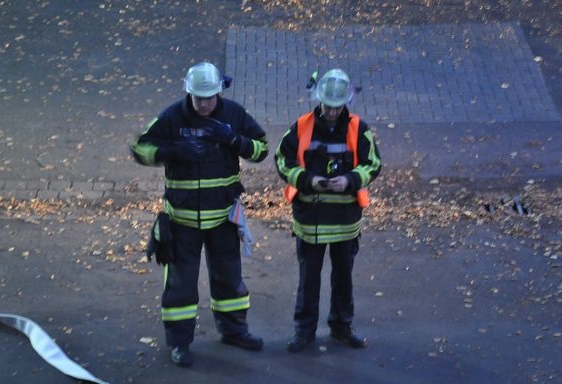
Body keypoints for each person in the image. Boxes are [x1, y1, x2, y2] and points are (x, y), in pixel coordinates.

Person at [130, 62, 269, 367]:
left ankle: (234, 331)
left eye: (209, 97)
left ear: (219, 92)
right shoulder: (172, 116)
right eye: (199, 98)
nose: (204, 103)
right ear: (189, 93)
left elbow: (261, 149)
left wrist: (233, 139)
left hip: (223, 218)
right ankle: (179, 343)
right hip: (182, 221)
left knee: (229, 279)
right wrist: (171, 151)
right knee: (180, 286)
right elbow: (140, 148)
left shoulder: (234, 114)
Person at [274, 69, 382, 353]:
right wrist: (309, 181)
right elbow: (283, 161)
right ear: (319, 100)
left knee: (343, 278)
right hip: (310, 220)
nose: (332, 112)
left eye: (337, 106)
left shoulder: (359, 128)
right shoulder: (301, 127)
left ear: (346, 102)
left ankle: (342, 327)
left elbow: (373, 164)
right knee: (308, 280)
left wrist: (350, 180)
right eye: (328, 105)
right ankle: (304, 331)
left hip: (345, 220)